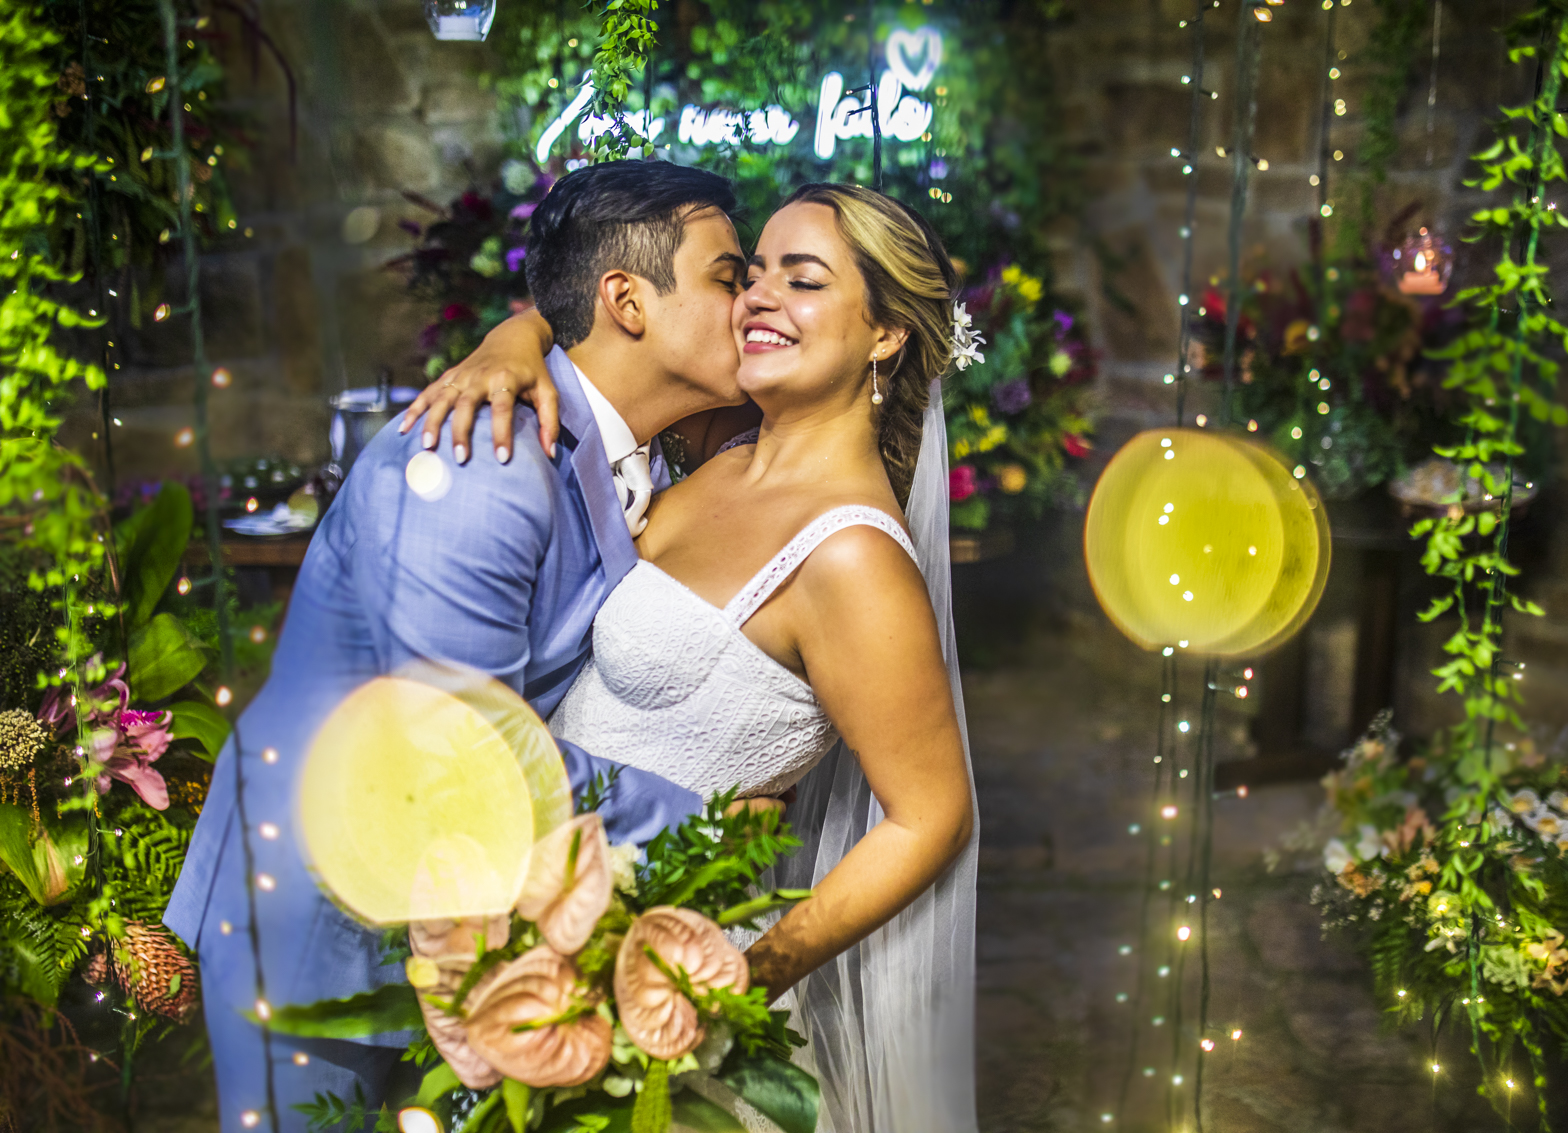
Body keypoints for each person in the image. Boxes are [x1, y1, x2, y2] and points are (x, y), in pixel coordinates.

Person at [164, 161, 762, 1131]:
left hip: (470, 911)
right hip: (323, 911)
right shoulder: (478, 462)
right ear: (626, 300)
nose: (753, 303)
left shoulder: (640, 445)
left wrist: (517, 330)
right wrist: (708, 823)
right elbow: (460, 749)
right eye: (729, 276)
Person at [402, 182, 981, 1133]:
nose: (758, 297)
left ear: (885, 334)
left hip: (658, 986)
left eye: (802, 280)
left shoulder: (852, 558)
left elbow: (931, 816)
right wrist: (508, 342)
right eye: (751, 273)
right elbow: (599, 333)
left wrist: (743, 975)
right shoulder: (719, 443)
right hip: (527, 923)